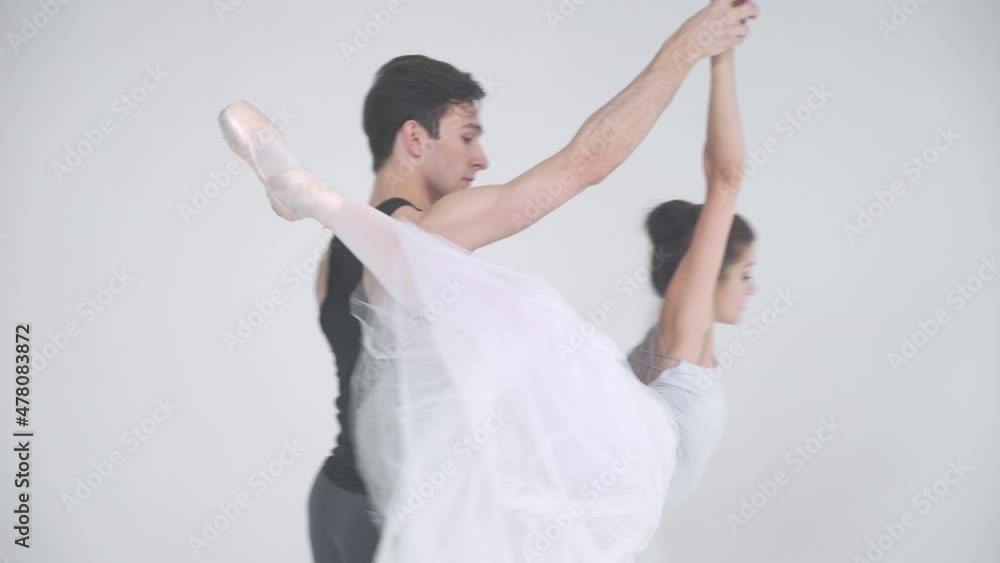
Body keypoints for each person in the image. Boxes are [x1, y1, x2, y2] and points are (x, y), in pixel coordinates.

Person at [219, 2, 759, 560]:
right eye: (467, 136)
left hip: (333, 504)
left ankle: (310, 195)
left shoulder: (334, 262)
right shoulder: (430, 232)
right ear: (414, 138)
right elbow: (586, 163)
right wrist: (687, 48)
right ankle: (309, 193)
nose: (481, 158)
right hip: (391, 523)